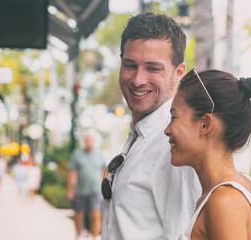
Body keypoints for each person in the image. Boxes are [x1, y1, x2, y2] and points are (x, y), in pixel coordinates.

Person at [101, 12, 200, 240]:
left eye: (153, 68)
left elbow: (182, 234)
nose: (137, 80)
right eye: (130, 65)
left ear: (179, 72)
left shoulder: (176, 143)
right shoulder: (139, 132)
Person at [165, 69, 251, 240]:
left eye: (173, 118)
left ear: (205, 124)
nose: (167, 130)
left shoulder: (225, 200)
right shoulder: (243, 185)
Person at [68, 132, 106, 240]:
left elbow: (105, 171)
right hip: (80, 190)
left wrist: (106, 187)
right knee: (79, 215)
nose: (88, 142)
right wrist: (70, 189)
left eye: (90, 140)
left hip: (96, 190)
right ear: (84, 141)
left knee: (96, 214)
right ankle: (78, 236)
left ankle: (95, 237)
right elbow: (72, 173)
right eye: (87, 140)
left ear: (93, 141)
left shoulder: (99, 154)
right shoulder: (77, 154)